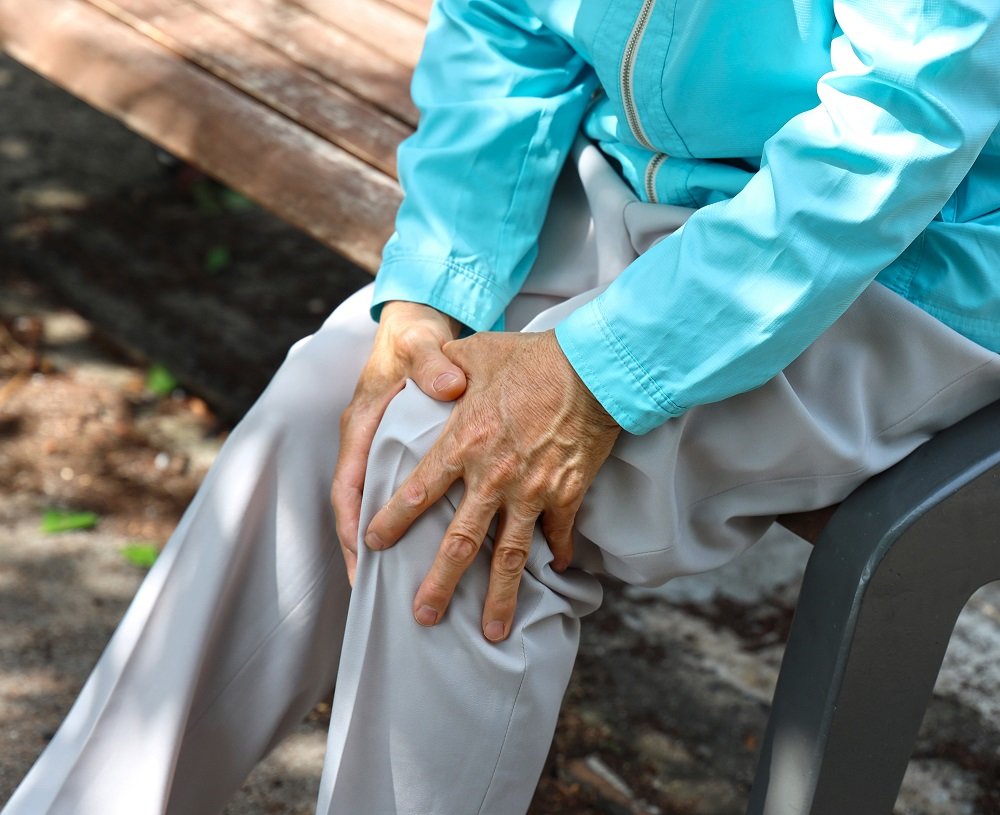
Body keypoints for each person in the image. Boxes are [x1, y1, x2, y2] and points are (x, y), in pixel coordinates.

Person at [5, 1, 1000, 813]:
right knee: (330, 400)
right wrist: (435, 290)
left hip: (913, 256)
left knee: (461, 491)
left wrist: (598, 370)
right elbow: (501, 25)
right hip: (659, 187)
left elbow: (897, 127)